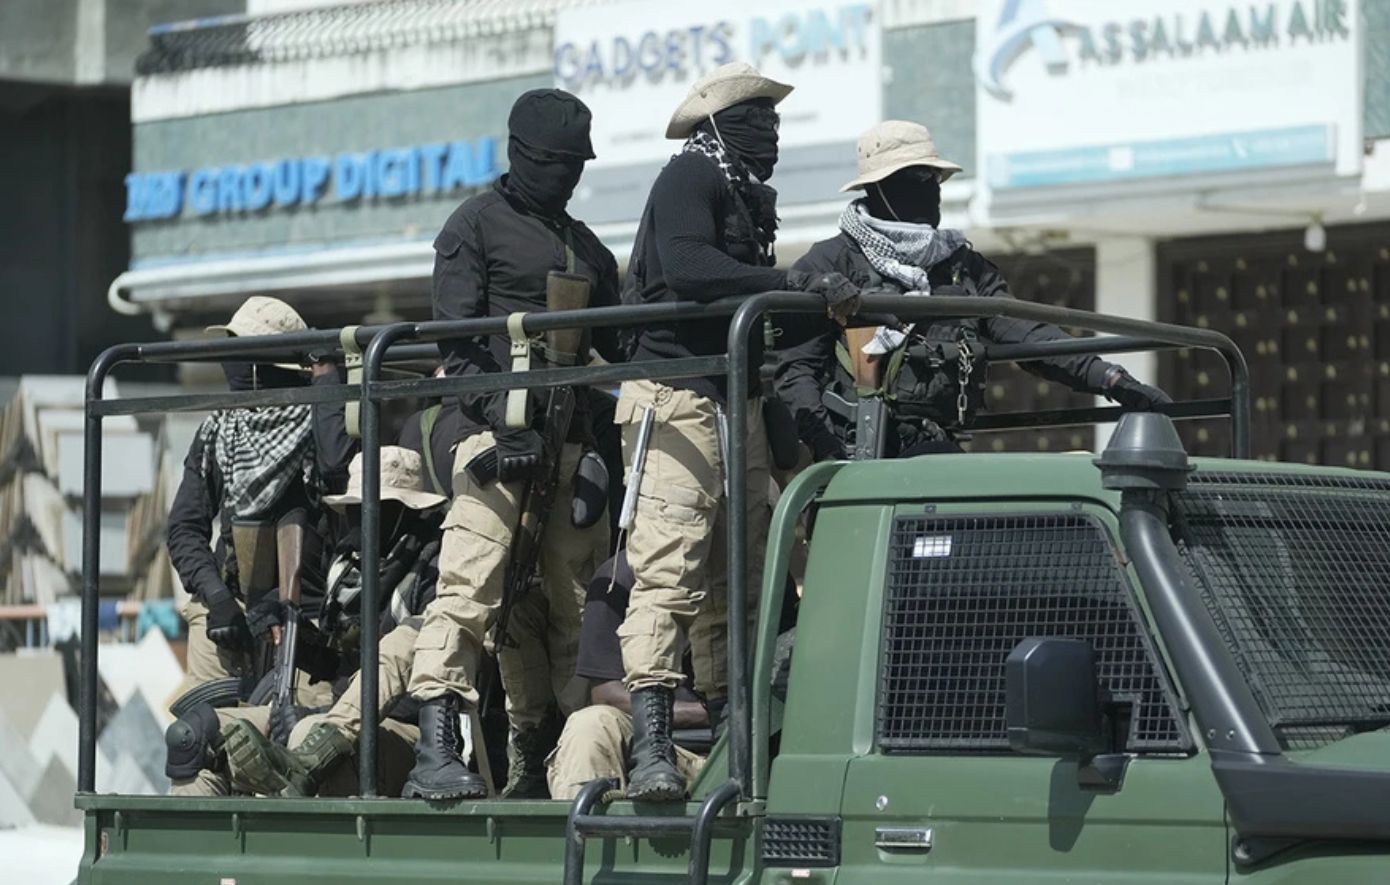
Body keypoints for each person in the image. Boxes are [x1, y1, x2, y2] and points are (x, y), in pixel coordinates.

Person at [613, 61, 862, 803]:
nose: (772, 132)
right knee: (670, 569)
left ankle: (731, 729)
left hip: (735, 398)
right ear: (721, 124)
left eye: (776, 120)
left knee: (740, 573)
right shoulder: (690, 175)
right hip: (676, 396)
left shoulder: (745, 191)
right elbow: (690, 266)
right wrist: (789, 282)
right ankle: (653, 743)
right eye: (758, 118)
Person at [402, 88, 617, 800]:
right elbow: (458, 348)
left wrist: (594, 450)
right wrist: (504, 418)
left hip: (566, 446)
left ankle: (556, 759)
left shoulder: (589, 250)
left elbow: (615, 357)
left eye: (576, 165)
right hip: (488, 438)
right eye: (555, 164)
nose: (568, 177)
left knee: (572, 607)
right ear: (521, 155)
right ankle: (436, 748)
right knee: (468, 589)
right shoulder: (473, 227)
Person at [776, 121, 1170, 460]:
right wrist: (829, 453)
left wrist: (1111, 379)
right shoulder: (828, 265)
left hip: (938, 453)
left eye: (934, 178)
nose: (931, 189)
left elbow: (1030, 335)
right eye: (916, 177)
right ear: (879, 188)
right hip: (859, 456)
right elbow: (796, 371)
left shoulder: (961, 265)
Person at [213, 447, 447, 798]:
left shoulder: (434, 567)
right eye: (354, 508)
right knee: (194, 737)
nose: (358, 518)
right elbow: (339, 662)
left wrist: (322, 714)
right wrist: (292, 635)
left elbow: (420, 675)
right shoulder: (348, 567)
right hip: (337, 715)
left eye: (372, 508)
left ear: (404, 511)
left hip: (405, 726)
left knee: (305, 732)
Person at [166, 296, 331, 703]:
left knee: (302, 728)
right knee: (201, 727)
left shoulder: (323, 426)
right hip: (229, 607)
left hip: (303, 614)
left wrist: (280, 605)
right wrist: (218, 599)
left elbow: (339, 532)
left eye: (244, 349)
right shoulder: (218, 432)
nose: (233, 363)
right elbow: (184, 528)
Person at [547, 555, 708, 800]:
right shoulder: (619, 576)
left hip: (735, 755)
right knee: (588, 726)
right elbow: (606, 695)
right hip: (656, 749)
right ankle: (582, 822)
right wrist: (705, 712)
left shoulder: (756, 568)